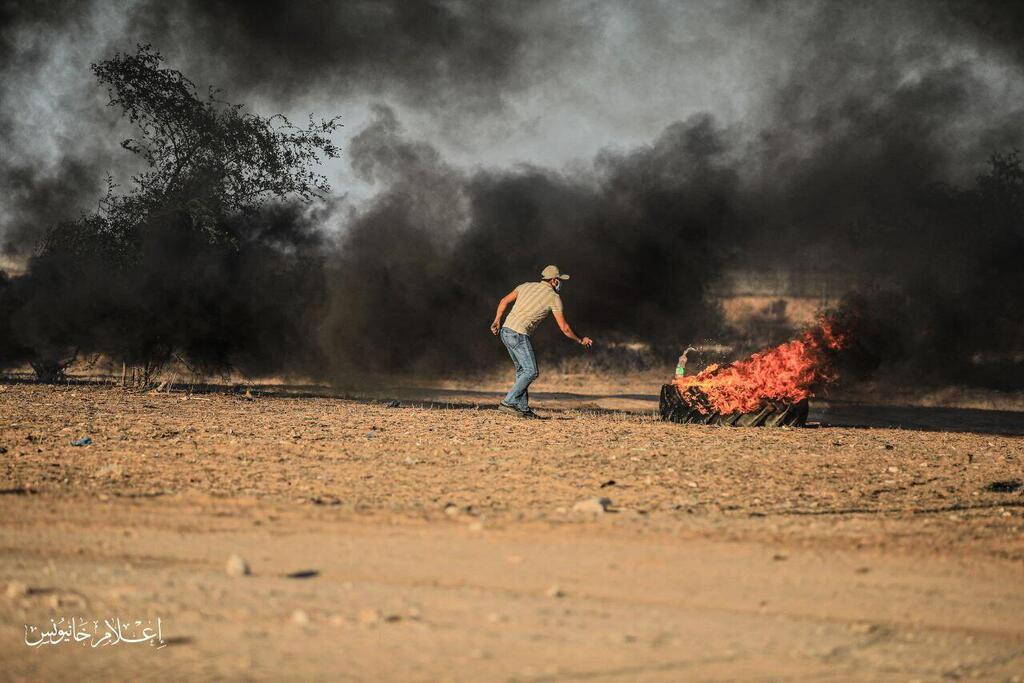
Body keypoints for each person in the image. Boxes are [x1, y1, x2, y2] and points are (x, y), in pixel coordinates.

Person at [490, 265, 593, 417]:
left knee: (522, 371)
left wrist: (497, 320)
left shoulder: (525, 286)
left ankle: (523, 409)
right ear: (554, 281)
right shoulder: (554, 297)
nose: (560, 283)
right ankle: (508, 402)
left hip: (505, 331)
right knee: (531, 371)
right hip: (518, 334)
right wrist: (580, 339)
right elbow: (564, 328)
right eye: (559, 280)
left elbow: (504, 301)